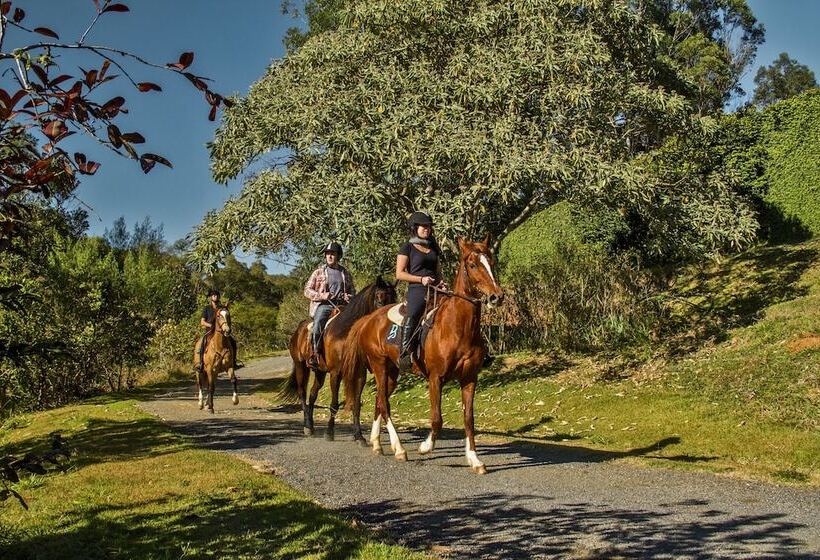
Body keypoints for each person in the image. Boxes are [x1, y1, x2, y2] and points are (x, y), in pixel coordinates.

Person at [395, 211, 447, 373]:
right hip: (417, 289)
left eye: (429, 226)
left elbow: (437, 271)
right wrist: (421, 279)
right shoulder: (407, 247)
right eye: (423, 226)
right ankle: (404, 353)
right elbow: (399, 273)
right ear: (414, 228)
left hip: (436, 289)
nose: (427, 229)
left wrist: (441, 283)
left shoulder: (433, 248)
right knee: (413, 313)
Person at [303, 241, 355, 368]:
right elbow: (307, 290)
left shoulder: (345, 273)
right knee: (317, 325)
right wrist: (322, 295)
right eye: (327, 254)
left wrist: (349, 296)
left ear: (338, 256)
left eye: (333, 254)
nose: (330, 256)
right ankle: (315, 353)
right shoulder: (318, 272)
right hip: (325, 305)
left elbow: (352, 290)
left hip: (342, 305)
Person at [198, 289, 241, 372]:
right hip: (210, 331)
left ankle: (233, 362)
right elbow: (202, 322)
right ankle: (201, 364)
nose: (215, 297)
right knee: (202, 343)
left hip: (221, 332)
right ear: (211, 297)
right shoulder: (207, 308)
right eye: (214, 295)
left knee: (233, 341)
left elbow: (226, 317)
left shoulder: (221, 308)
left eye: (217, 295)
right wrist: (211, 325)